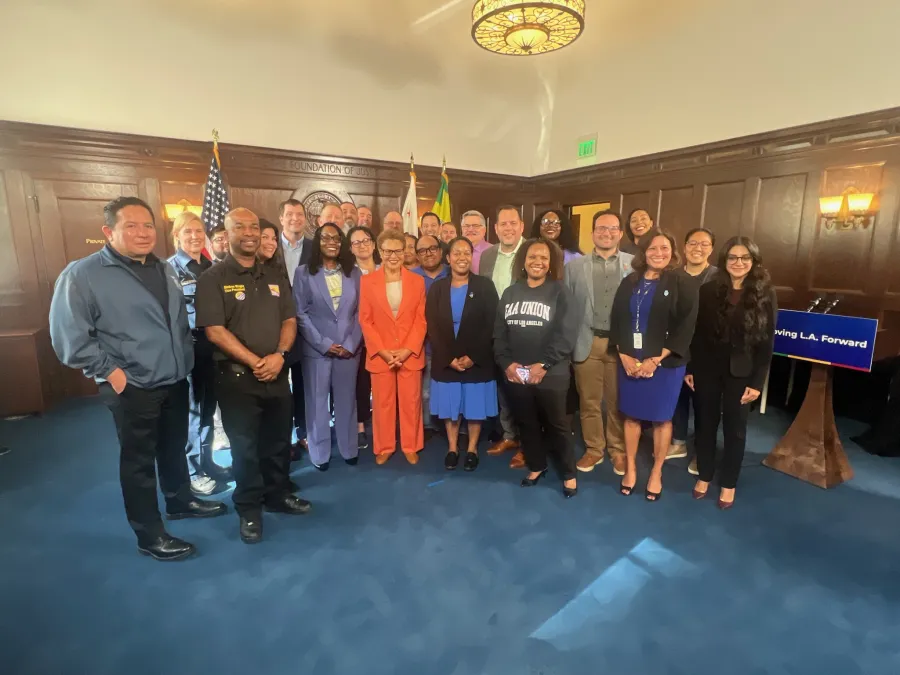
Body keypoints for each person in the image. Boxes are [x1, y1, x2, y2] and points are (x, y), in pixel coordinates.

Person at [49, 196, 226, 561]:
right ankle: (149, 534)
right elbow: (70, 339)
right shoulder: (82, 275)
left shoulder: (162, 268)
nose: (143, 233)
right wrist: (112, 374)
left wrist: (186, 362)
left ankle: (179, 500)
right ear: (108, 231)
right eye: (131, 226)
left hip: (175, 379)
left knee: (173, 447)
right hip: (132, 387)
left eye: (147, 225)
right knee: (139, 462)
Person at [196, 208, 312, 545]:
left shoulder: (275, 275)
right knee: (244, 449)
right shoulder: (213, 278)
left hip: (277, 373)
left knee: (278, 443)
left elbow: (289, 320)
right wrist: (256, 361)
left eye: (254, 227)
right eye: (240, 227)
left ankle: (277, 495)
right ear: (227, 233)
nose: (249, 232)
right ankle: (248, 508)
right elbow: (215, 332)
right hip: (236, 380)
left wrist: (279, 356)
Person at [610, 231, 698, 501]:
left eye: (665, 248)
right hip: (631, 360)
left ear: (673, 251)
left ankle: (657, 471)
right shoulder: (630, 281)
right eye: (652, 248)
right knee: (632, 416)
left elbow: (686, 327)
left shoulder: (683, 281)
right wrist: (623, 354)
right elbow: (618, 320)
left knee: (661, 418)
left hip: (666, 362)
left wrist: (655, 359)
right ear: (643, 252)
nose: (659, 253)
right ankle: (632, 469)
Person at [688, 237, 776, 509]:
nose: (738, 263)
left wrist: (758, 382)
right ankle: (704, 474)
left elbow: (766, 342)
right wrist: (690, 368)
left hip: (742, 372)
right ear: (724, 261)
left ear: (753, 262)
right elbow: (697, 334)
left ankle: (729, 483)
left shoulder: (765, 293)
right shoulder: (709, 290)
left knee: (735, 430)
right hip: (706, 370)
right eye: (733, 258)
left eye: (745, 258)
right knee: (705, 425)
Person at [494, 238, 579, 497]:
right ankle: (536, 465)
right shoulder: (511, 292)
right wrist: (507, 364)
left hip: (551, 373)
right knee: (526, 422)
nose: (537, 262)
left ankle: (568, 473)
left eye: (543, 257)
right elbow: (499, 333)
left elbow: (566, 335)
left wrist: (543, 365)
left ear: (551, 263)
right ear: (524, 261)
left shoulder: (560, 292)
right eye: (532, 256)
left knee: (558, 425)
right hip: (517, 373)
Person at [166, 212, 231, 495]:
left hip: (213, 348)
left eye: (198, 231)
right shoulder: (170, 270)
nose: (194, 236)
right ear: (177, 236)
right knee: (192, 412)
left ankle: (207, 462)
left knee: (208, 409)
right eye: (187, 231)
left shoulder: (211, 266)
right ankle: (192, 471)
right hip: (189, 349)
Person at [565, 210, 634, 477]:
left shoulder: (634, 264)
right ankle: (595, 448)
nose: (607, 233)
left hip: (620, 345)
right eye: (601, 228)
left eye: (612, 228)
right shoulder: (574, 267)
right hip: (587, 341)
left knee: (617, 402)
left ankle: (618, 450)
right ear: (593, 233)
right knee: (589, 401)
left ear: (620, 233)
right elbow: (568, 309)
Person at [427, 237, 499, 470]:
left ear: (472, 256)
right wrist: (449, 358)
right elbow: (432, 326)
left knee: (474, 407)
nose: (461, 257)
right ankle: (452, 447)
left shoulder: (485, 286)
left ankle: (471, 448)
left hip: (477, 360)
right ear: (448, 258)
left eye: (466, 253)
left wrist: (473, 357)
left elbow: (492, 324)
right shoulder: (438, 288)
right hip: (446, 360)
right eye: (456, 253)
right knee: (450, 408)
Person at [294, 223, 362, 470]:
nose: (332, 242)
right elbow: (300, 313)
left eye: (336, 238)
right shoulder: (303, 273)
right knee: (317, 403)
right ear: (317, 242)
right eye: (326, 238)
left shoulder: (354, 273)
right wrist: (324, 344)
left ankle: (349, 448)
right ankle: (320, 453)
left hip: (348, 349)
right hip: (316, 350)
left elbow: (363, 314)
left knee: (347, 401)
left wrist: (350, 344)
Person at [359, 229, 428, 465]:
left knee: (411, 402)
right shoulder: (367, 282)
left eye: (398, 250)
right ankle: (385, 446)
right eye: (388, 251)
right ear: (380, 252)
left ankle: (410, 445)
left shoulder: (417, 281)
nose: (393, 256)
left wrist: (408, 349)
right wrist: (383, 351)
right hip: (382, 354)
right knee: (383, 404)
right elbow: (365, 321)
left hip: (409, 353)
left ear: (404, 251)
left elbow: (421, 320)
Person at [479, 205, 525, 465]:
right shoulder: (487, 255)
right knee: (503, 387)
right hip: (496, 333)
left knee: (524, 390)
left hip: (525, 332)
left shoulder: (532, 251)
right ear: (495, 229)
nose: (508, 228)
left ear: (521, 226)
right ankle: (510, 435)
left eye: (512, 223)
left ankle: (529, 442)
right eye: (502, 224)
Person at [672, 227, 719, 473]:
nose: (697, 248)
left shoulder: (718, 277)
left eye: (703, 244)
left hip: (707, 352)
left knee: (704, 404)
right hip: (677, 348)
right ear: (684, 246)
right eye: (692, 243)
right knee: (677, 398)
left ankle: (702, 453)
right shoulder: (674, 275)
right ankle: (678, 442)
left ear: (711, 248)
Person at [279, 200, 313, 456]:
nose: (295, 219)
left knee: (304, 383)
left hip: (307, 324)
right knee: (280, 385)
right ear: (281, 218)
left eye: (299, 214)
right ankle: (282, 436)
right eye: (289, 214)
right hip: (275, 325)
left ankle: (303, 432)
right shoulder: (268, 246)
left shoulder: (314, 248)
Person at [413, 234, 450, 435]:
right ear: (417, 255)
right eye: (422, 250)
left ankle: (452, 426)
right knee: (425, 392)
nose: (428, 253)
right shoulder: (410, 276)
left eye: (432, 248)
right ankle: (427, 426)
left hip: (451, 345)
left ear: (441, 251)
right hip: (423, 345)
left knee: (449, 389)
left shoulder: (455, 272)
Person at [348, 225, 380, 449]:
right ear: (350, 248)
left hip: (383, 335)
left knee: (381, 383)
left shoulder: (385, 269)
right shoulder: (346, 273)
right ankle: (360, 425)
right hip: (355, 335)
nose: (362, 245)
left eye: (366, 240)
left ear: (374, 244)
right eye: (356, 242)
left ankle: (382, 425)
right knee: (359, 382)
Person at [461, 209, 492, 274]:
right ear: (462, 229)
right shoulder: (455, 251)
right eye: (466, 226)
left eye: (475, 226)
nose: (470, 229)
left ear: (484, 230)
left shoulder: (493, 251)